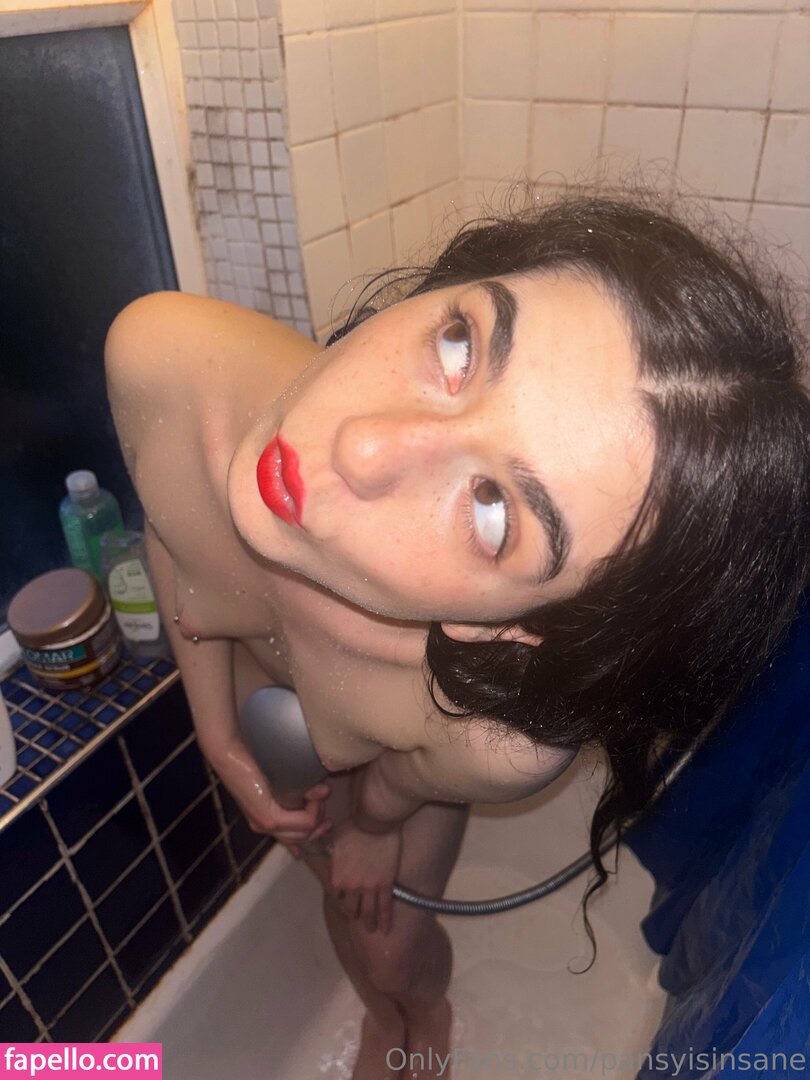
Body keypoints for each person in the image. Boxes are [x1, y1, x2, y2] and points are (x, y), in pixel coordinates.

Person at [104, 189, 810, 1080]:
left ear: (511, 628)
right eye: (458, 344)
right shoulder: (162, 361)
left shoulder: (494, 730)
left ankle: (418, 1006)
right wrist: (217, 735)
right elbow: (175, 536)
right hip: (271, 696)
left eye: (493, 511)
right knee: (345, 910)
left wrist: (371, 829)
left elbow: (400, 783)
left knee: (393, 942)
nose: (361, 445)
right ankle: (383, 1011)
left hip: (417, 742)